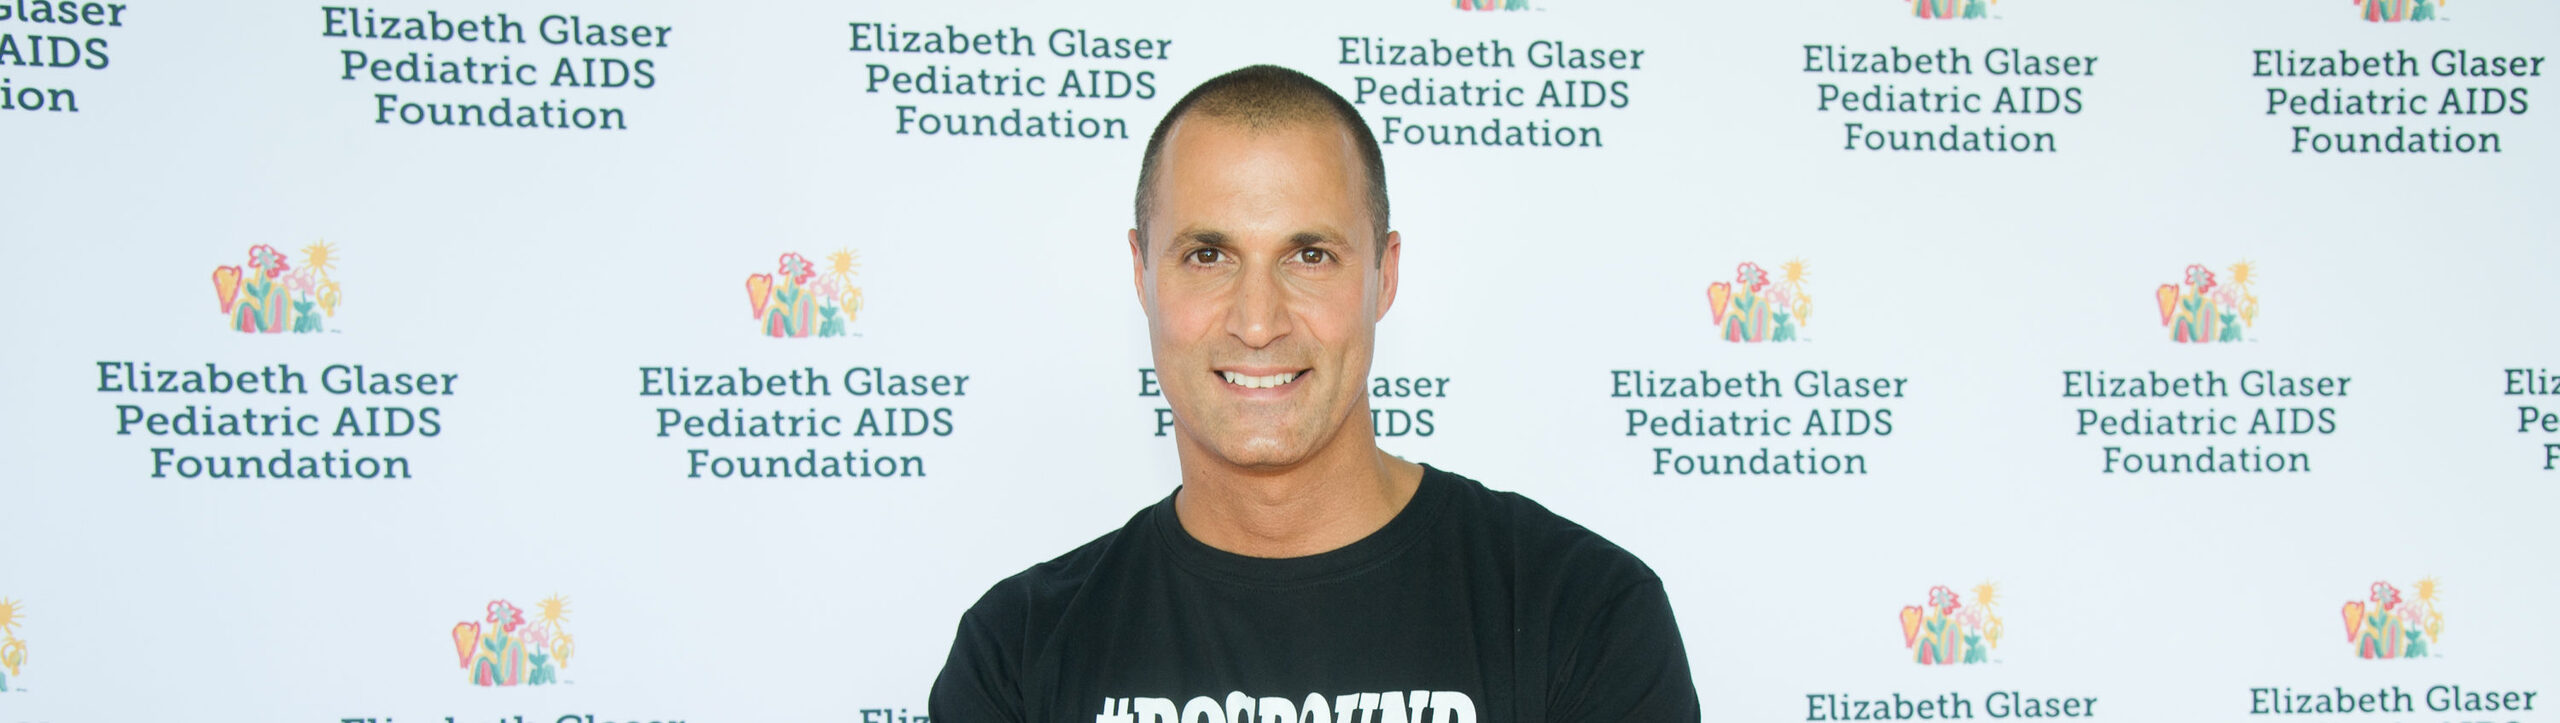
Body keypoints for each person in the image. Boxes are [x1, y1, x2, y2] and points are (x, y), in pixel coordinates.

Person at [929, 64, 1699, 723]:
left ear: (1384, 276)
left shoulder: (1581, 610)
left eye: (1310, 255)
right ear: (1142, 274)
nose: (1258, 321)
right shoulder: (1018, 651)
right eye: (1208, 255)